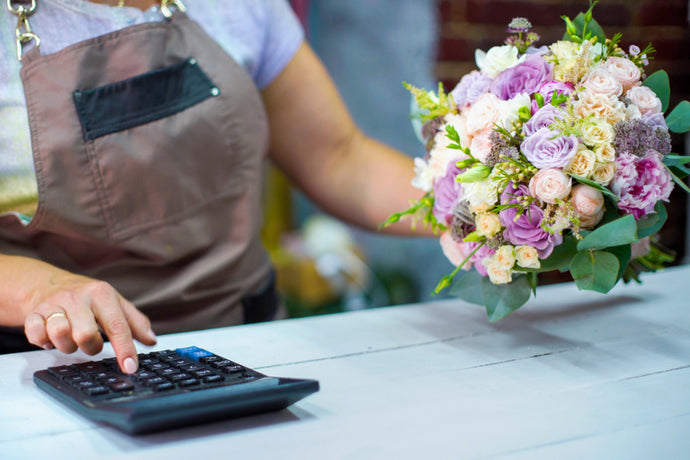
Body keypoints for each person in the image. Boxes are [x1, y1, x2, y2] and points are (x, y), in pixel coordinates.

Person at [0, 0, 427, 374]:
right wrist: (40, 290)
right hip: (53, 366)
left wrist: (473, 204)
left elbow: (343, 160)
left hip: (246, 351)